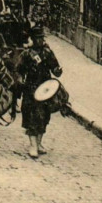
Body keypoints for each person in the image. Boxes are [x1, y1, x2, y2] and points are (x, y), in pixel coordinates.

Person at [17, 26, 62, 158]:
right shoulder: (26, 54)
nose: (41, 40)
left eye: (42, 37)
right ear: (33, 39)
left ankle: (39, 142)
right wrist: (20, 80)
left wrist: (58, 71)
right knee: (31, 116)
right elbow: (19, 70)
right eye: (38, 38)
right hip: (31, 88)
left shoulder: (48, 52)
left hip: (45, 88)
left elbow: (55, 68)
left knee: (44, 116)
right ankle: (33, 145)